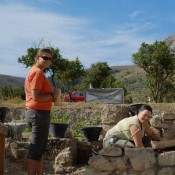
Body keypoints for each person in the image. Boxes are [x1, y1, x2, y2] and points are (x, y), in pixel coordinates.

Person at [24, 48, 59, 175]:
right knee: (35, 149)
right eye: (44, 57)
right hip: (38, 113)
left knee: (39, 148)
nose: (47, 61)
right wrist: (52, 94)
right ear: (37, 57)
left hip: (36, 113)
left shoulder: (35, 72)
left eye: (49, 59)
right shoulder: (38, 73)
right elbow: (36, 97)